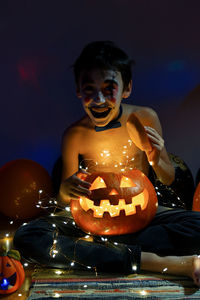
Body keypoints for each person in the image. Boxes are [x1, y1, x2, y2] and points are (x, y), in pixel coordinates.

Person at [14, 41, 200, 286]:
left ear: (127, 88)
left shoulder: (145, 118)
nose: (99, 99)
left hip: (140, 216)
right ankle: (154, 260)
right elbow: (62, 201)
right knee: (28, 236)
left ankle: (102, 253)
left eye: (108, 88)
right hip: (91, 221)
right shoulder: (75, 135)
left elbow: (167, 179)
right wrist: (65, 190)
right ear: (78, 91)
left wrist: (156, 157)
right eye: (89, 89)